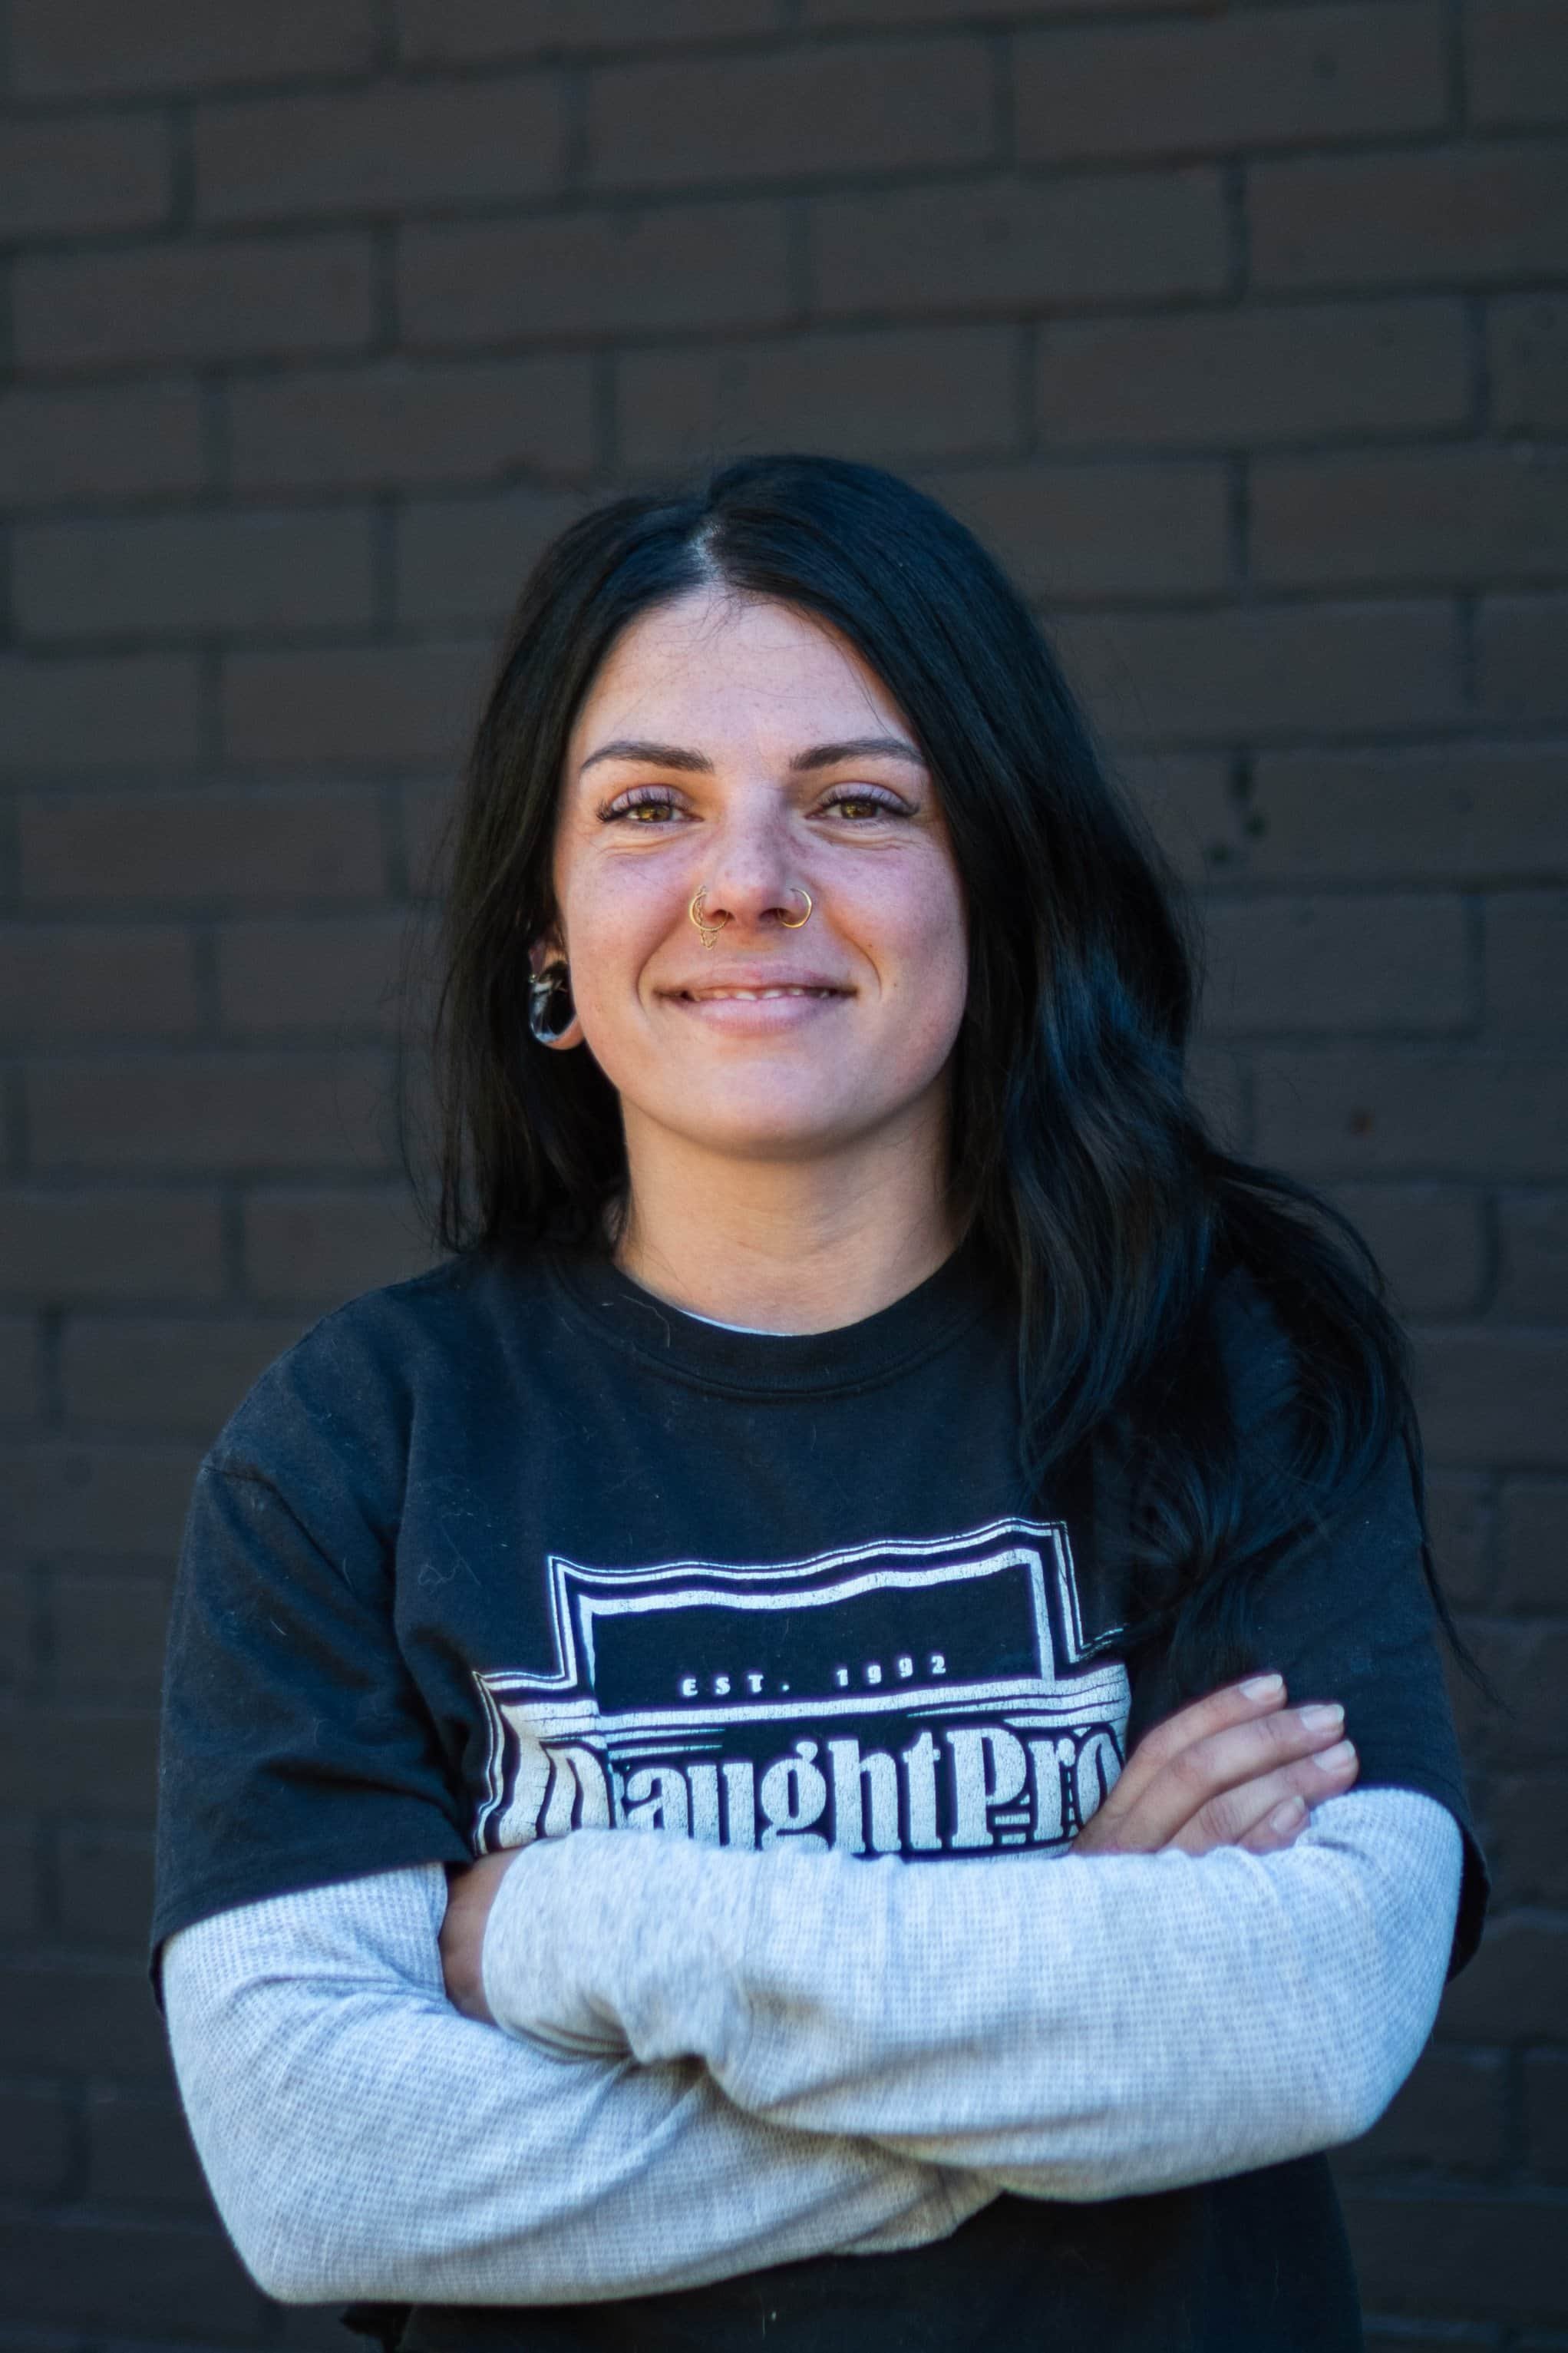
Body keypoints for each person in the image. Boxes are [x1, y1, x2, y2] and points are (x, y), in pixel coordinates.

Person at [153, 455, 1484, 2353]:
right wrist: (1074, 1947)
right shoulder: (355, 1441)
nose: (746, 884)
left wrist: (566, 1930)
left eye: (856, 803)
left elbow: (1304, 2017)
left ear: (992, 882)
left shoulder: (1226, 1364)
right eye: (646, 808)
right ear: (547, 930)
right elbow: (327, 2176)